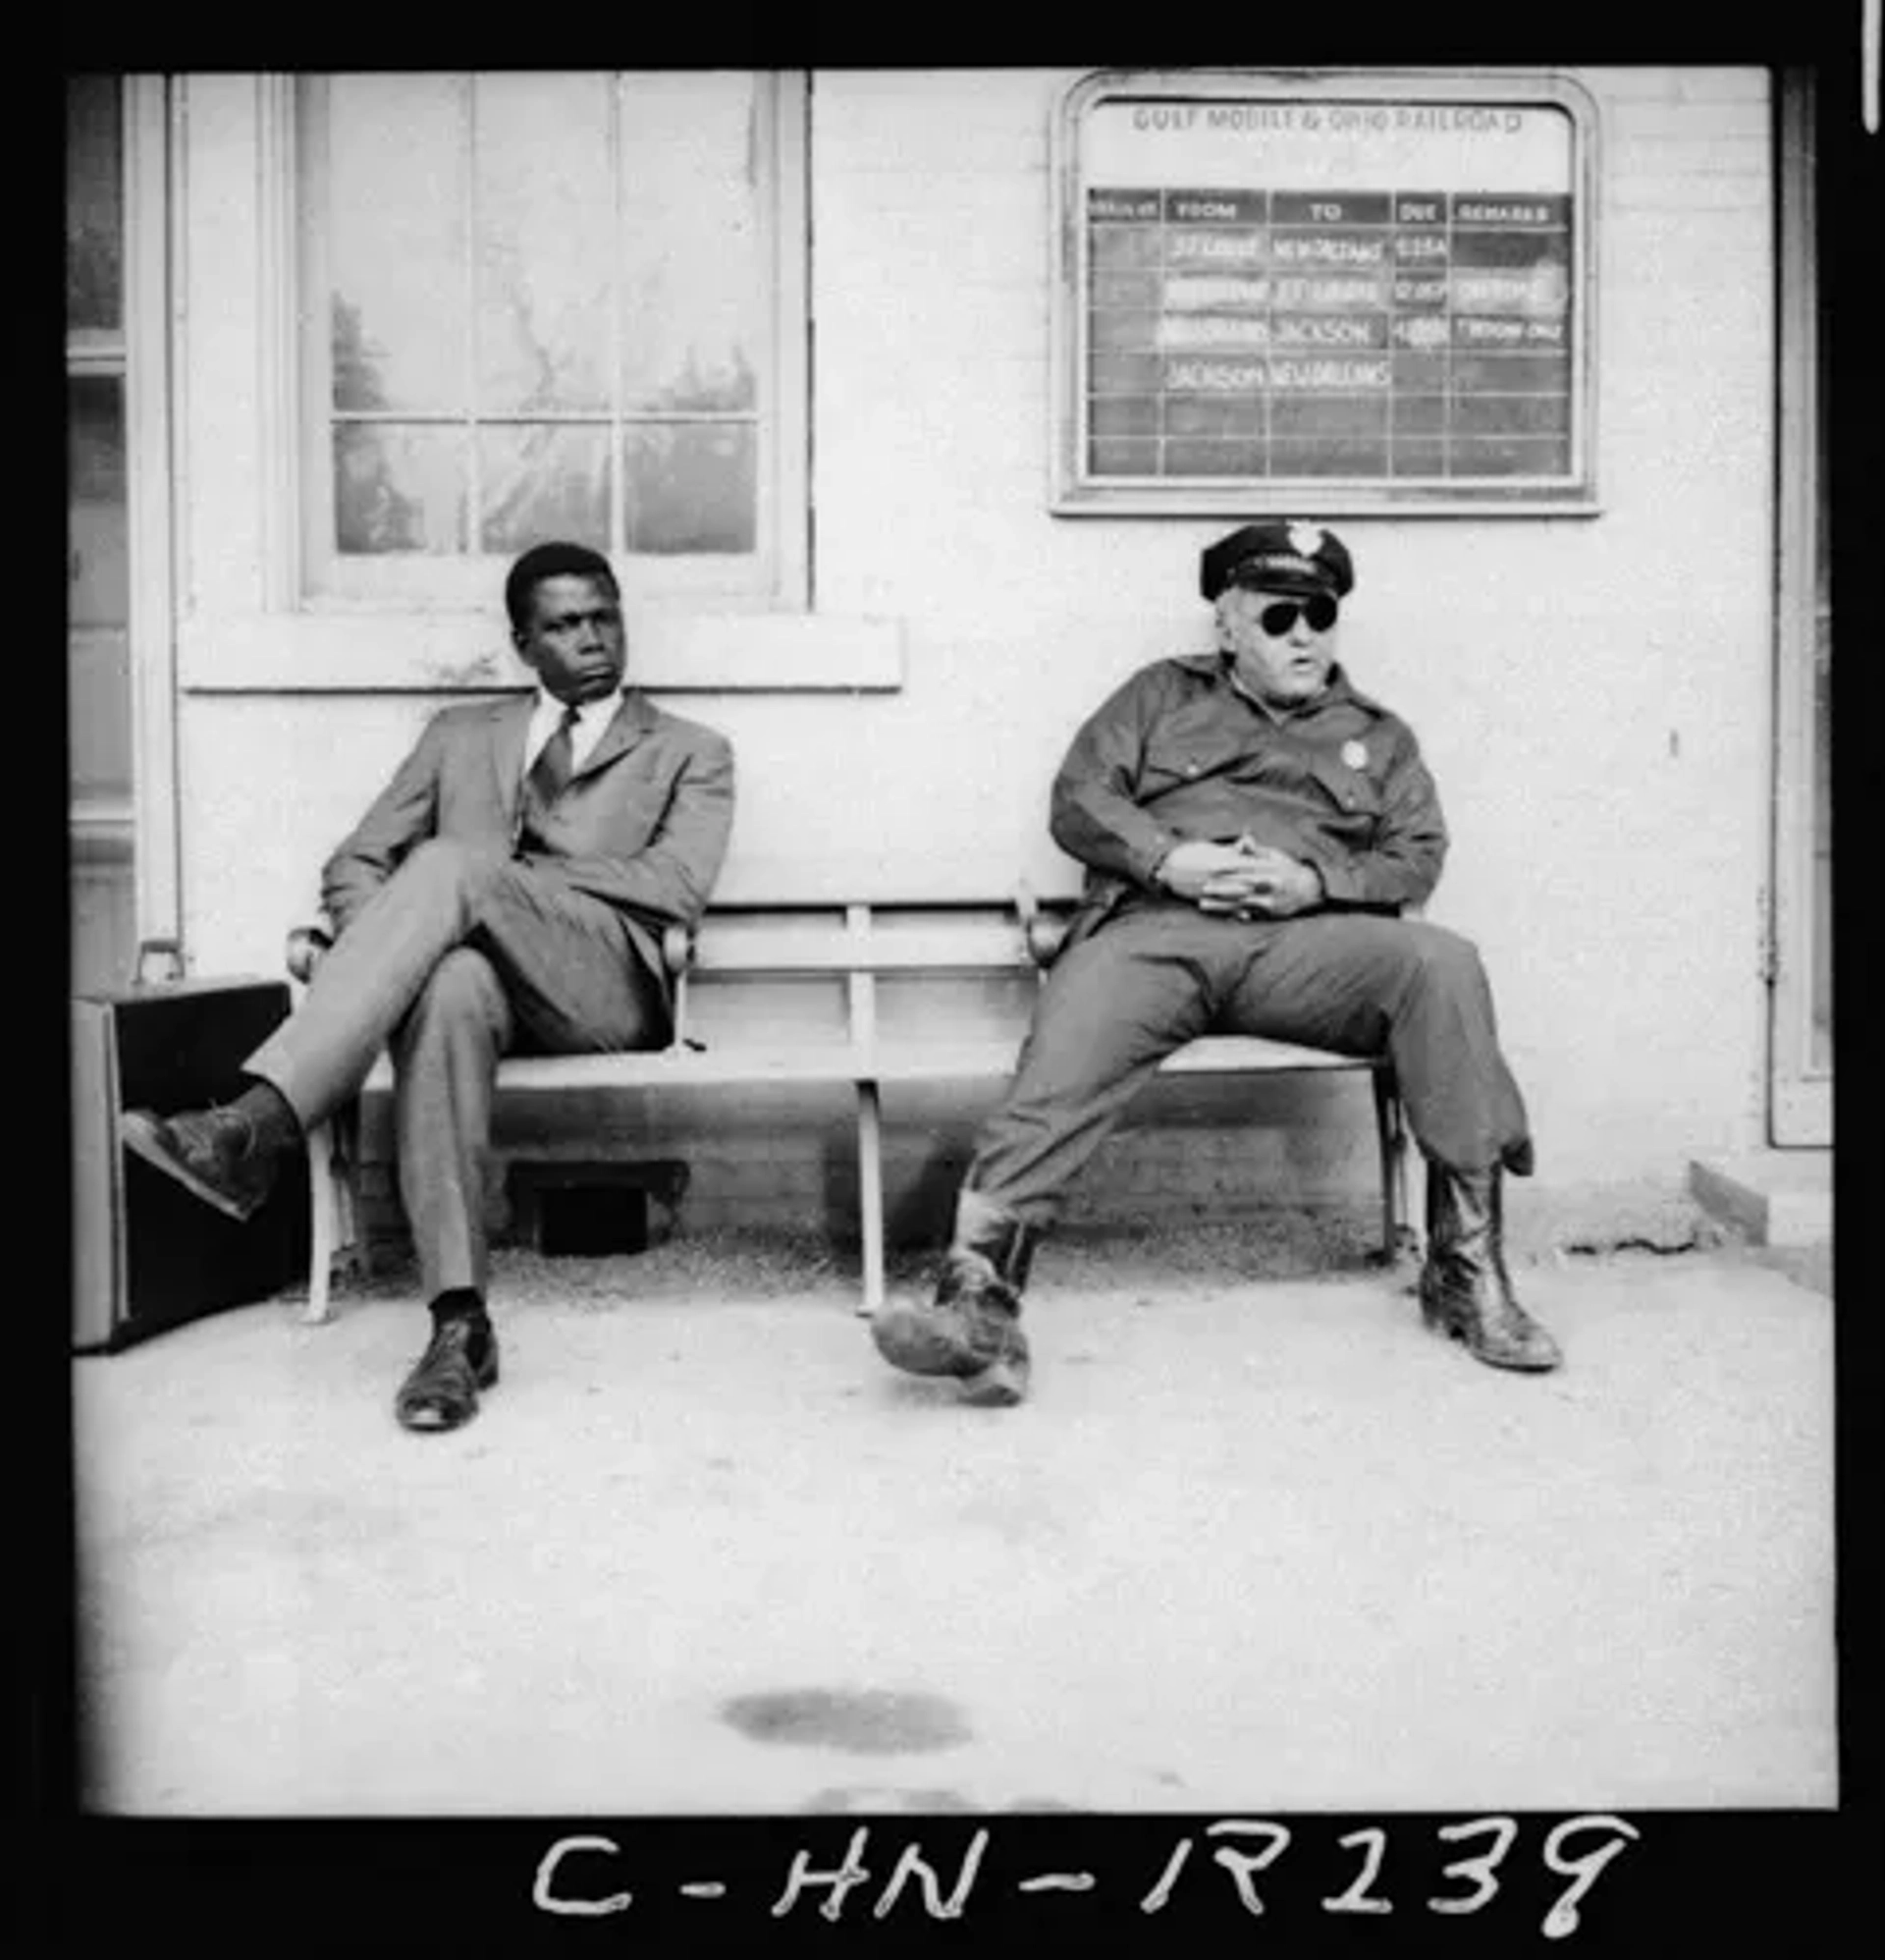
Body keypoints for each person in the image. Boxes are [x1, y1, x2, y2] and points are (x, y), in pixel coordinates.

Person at [870, 517, 1561, 1408]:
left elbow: (1417, 853)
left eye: (1320, 614)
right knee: (1074, 1024)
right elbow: (1080, 800)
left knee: (1443, 962)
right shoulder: (1157, 697)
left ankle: (1468, 1277)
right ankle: (979, 1307)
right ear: (1227, 626)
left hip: (1305, 948)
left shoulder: (1377, 736)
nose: (1304, 634)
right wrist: (1168, 859)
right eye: (1278, 618)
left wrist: (1315, 883)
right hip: (1158, 931)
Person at [123, 541, 736, 1433]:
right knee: (446, 982)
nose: (594, 638)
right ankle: (458, 1327)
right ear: (524, 643)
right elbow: (357, 862)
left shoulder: (691, 750)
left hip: (605, 990)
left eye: (606, 617)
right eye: (565, 625)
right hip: (479, 986)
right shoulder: (459, 736)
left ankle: (256, 1123)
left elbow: (675, 886)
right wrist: (402, 942)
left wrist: (497, 884)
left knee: (454, 867)